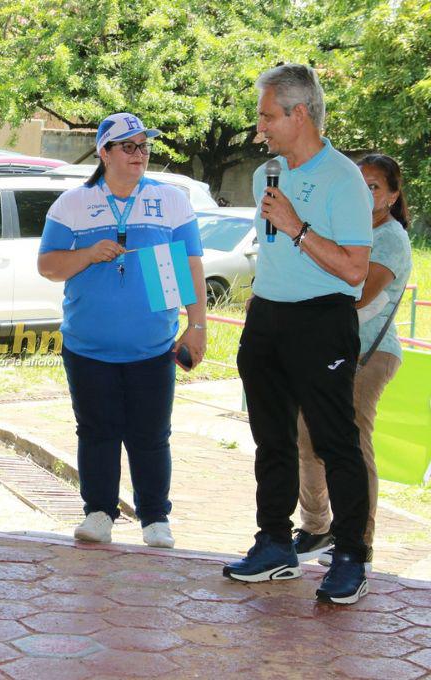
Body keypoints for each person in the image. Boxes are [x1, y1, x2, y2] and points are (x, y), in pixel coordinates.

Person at [224, 64, 374, 605]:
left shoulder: (343, 179)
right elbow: (271, 249)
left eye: (267, 116)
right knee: (271, 439)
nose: (259, 128)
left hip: (321, 321)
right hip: (267, 318)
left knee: (335, 441)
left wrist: (297, 226)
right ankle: (274, 544)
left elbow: (355, 269)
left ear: (300, 114)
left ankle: (351, 555)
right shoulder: (268, 172)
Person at [37, 112, 206, 551]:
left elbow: (190, 266)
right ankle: (98, 512)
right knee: (96, 432)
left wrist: (197, 325)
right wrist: (88, 254)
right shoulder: (72, 203)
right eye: (128, 146)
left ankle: (155, 518)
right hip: (88, 346)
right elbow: (48, 265)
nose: (139, 154)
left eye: (144, 146)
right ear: (104, 153)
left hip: (153, 345)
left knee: (152, 435)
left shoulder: (171, 201)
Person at [293, 154, 412, 573]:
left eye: (374, 186)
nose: (364, 193)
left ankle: (359, 540)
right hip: (328, 350)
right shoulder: (343, 229)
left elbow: (357, 296)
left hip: (369, 354)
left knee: (353, 444)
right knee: (307, 435)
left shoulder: (391, 238)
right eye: (358, 184)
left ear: (393, 196)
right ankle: (315, 527)